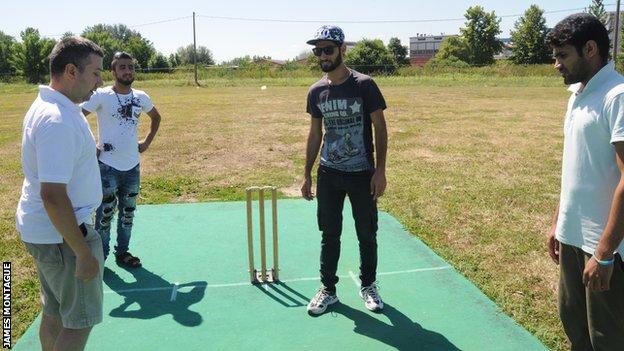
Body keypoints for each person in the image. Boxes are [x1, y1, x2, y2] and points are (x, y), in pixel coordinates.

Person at [16, 36, 104, 351]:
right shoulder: (58, 120)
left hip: (48, 234)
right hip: (64, 237)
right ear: (71, 71)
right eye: (95, 73)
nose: (99, 81)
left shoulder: (51, 106)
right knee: (79, 322)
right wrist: (82, 252)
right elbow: (53, 196)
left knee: (54, 309)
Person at [546, 13, 624, 350]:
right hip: (573, 239)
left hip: (604, 248)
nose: (556, 65)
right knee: (575, 329)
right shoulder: (578, 95)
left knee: (606, 338)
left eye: (563, 55)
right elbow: (576, 168)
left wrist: (605, 253)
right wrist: (558, 223)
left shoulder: (616, 95)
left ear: (590, 48)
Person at [301, 25, 388, 315]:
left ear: (342, 50)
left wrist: (380, 171)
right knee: (329, 234)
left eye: (328, 49)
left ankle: (368, 285)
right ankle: (328, 290)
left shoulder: (364, 85)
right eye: (318, 50)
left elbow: (380, 126)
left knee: (367, 232)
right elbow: (315, 135)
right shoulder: (316, 91)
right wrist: (306, 174)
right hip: (329, 173)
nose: (322, 55)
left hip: (362, 172)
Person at [81, 51, 162, 268]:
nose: (127, 71)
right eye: (122, 67)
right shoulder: (101, 95)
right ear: (113, 71)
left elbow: (156, 117)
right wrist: (91, 147)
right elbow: (77, 118)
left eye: (130, 67)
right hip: (107, 167)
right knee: (105, 215)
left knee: (128, 214)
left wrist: (146, 143)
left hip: (132, 167)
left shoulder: (141, 97)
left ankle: (123, 253)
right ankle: (101, 257)